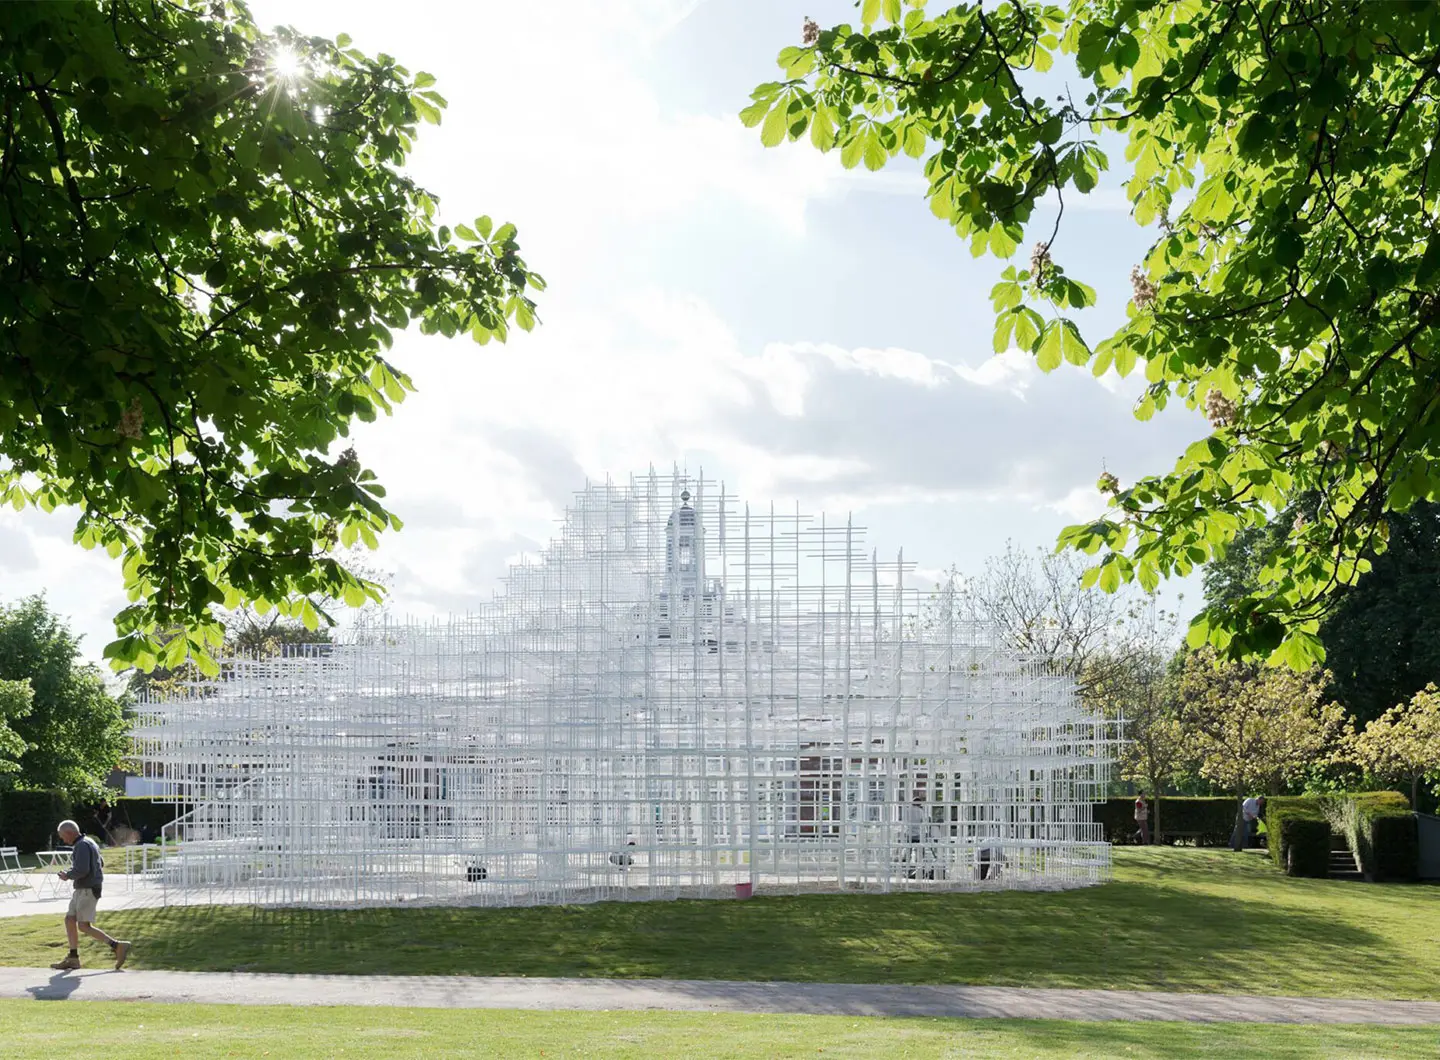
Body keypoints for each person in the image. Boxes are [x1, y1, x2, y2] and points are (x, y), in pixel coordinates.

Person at [48, 820, 131, 971]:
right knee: (69, 919)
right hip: (82, 889)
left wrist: (68, 875)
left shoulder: (81, 845)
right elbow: (101, 863)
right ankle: (73, 958)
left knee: (84, 926)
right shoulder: (89, 842)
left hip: (88, 889)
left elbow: (83, 870)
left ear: (69, 833)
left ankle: (117, 945)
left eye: (62, 836)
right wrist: (73, 871)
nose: (62, 839)